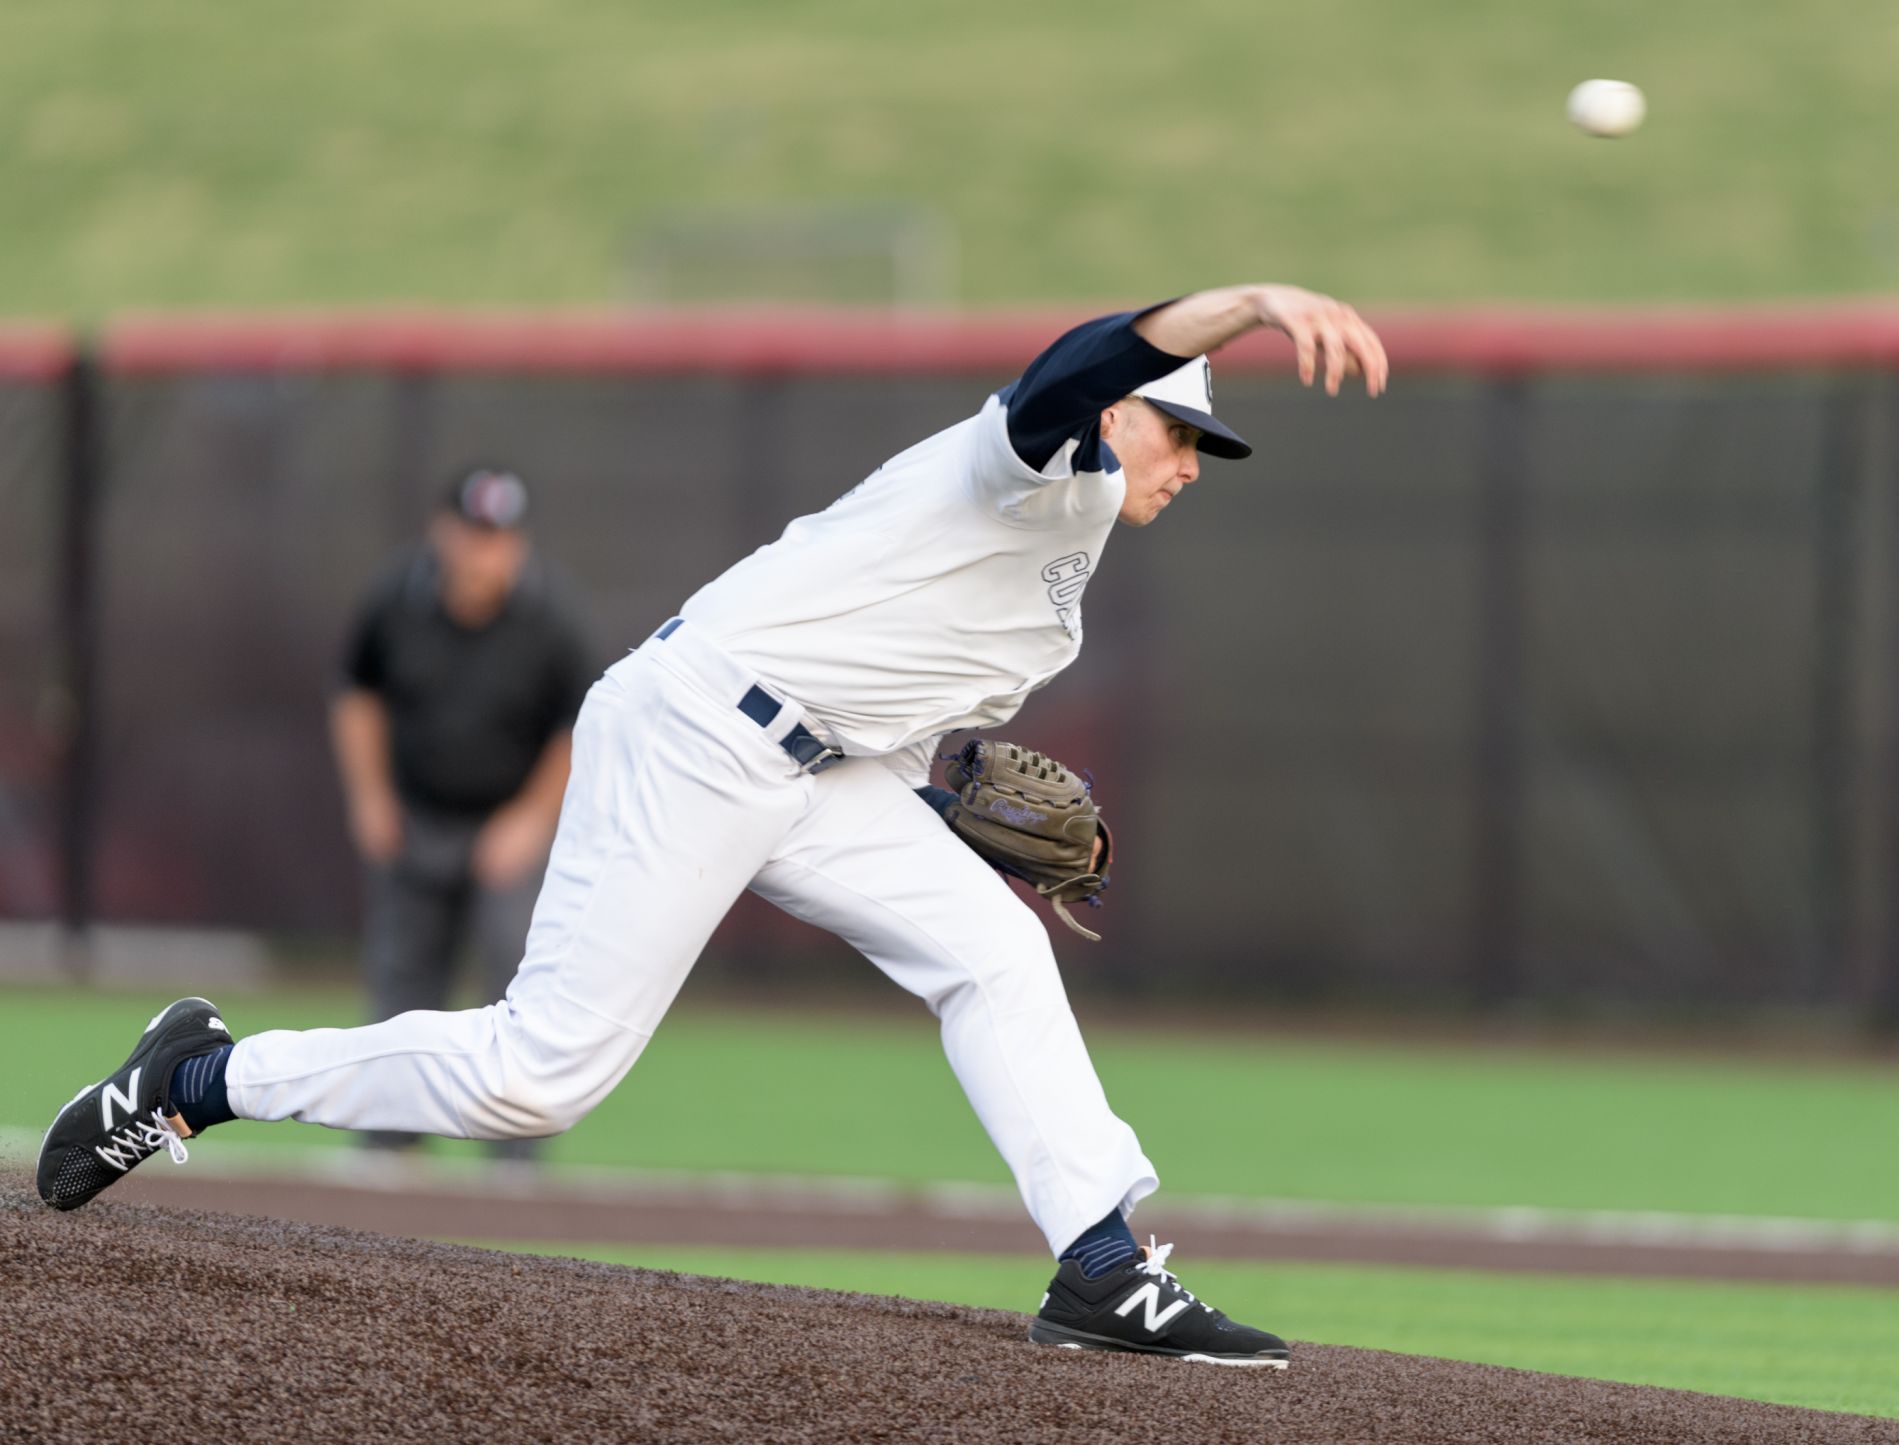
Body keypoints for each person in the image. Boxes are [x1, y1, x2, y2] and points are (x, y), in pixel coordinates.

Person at [37, 284, 1387, 1368]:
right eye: (1184, 430)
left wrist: (953, 820)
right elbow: (1074, 368)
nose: (1195, 463)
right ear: (1125, 415)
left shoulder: (1056, 606)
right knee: (541, 1077)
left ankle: (1101, 1261)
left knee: (991, 950)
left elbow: (902, 751)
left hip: (812, 771)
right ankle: (196, 1082)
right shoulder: (1030, 468)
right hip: (697, 728)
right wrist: (1252, 302)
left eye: (1209, 445)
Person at [329, 467, 598, 1162]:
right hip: (417, 815)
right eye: (475, 535)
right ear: (442, 532)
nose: (486, 553)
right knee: (404, 978)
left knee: (519, 981)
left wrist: (530, 821)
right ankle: (389, 1145)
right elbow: (358, 694)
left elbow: (579, 726)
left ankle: (514, 1158)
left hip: (508, 826)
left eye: (501, 539)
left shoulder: (552, 614)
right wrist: (371, 796)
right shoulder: (397, 596)